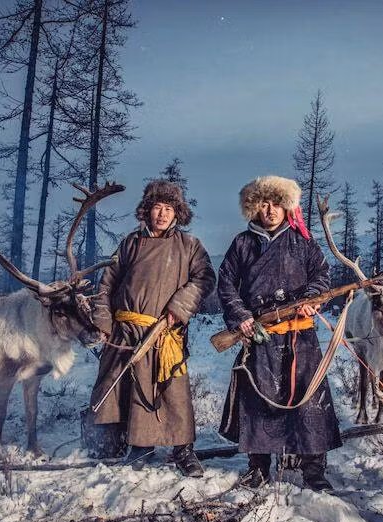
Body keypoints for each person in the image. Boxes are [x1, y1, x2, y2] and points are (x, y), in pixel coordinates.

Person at [217, 175, 343, 491]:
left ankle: (314, 469)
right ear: (255, 208)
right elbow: (227, 284)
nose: (271, 210)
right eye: (264, 204)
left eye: (276, 204)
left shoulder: (304, 241)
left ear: (286, 206)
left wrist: (311, 300)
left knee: (309, 399)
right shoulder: (242, 244)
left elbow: (322, 275)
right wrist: (242, 317)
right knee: (259, 400)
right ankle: (258, 467)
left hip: (301, 336)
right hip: (261, 336)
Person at [89, 180, 216, 477]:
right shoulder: (130, 243)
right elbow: (106, 284)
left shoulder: (189, 246)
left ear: (177, 214)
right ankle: (138, 446)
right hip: (127, 330)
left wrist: (178, 308)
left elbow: (205, 279)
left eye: (169, 208)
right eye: (157, 207)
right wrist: (105, 323)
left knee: (173, 392)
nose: (162, 214)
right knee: (127, 387)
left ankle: (183, 450)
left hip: (164, 332)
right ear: (147, 210)